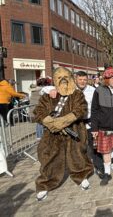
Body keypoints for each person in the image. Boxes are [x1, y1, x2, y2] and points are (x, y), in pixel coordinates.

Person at [33, 67, 93, 201]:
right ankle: (45, 184)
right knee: (50, 158)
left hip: (74, 131)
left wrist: (63, 121)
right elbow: (38, 112)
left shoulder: (77, 95)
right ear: (55, 80)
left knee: (77, 155)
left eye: (66, 77)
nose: (63, 80)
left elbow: (81, 109)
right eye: (59, 78)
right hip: (52, 134)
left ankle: (81, 176)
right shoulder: (48, 95)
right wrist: (50, 122)